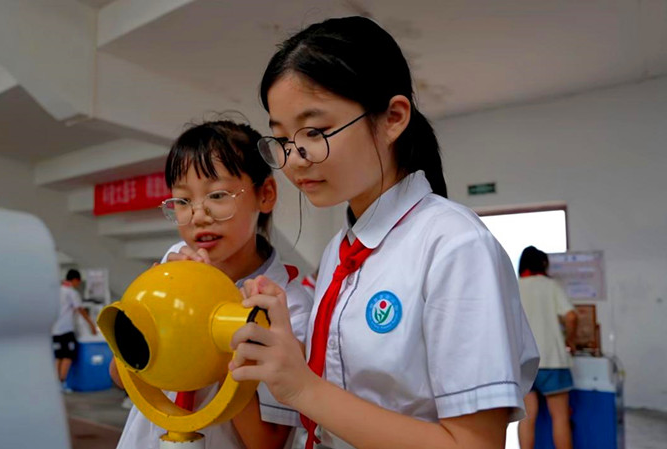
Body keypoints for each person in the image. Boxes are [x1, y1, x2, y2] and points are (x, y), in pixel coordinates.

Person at [227, 16, 540, 449]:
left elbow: (474, 444)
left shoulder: (454, 245)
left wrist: (303, 389)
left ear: (393, 119)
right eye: (281, 139)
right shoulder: (341, 250)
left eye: (314, 132)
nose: (295, 160)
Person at [110, 120, 312, 449]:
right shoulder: (174, 262)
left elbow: (267, 442)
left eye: (217, 195)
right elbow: (120, 376)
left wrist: (217, 328)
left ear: (266, 195)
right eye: (183, 201)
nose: (199, 215)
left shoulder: (286, 305)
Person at [517, 246, 577, 449]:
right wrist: (571, 339)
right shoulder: (550, 286)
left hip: (523, 362)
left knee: (526, 418)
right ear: (543, 264)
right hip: (553, 360)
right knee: (559, 417)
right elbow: (571, 316)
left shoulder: (514, 287)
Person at [52, 269, 97, 389]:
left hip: (55, 329)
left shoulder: (57, 291)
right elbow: (80, 309)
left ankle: (55, 384)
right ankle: (62, 383)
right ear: (75, 280)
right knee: (67, 356)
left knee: (58, 357)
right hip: (66, 329)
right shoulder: (72, 293)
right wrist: (92, 325)